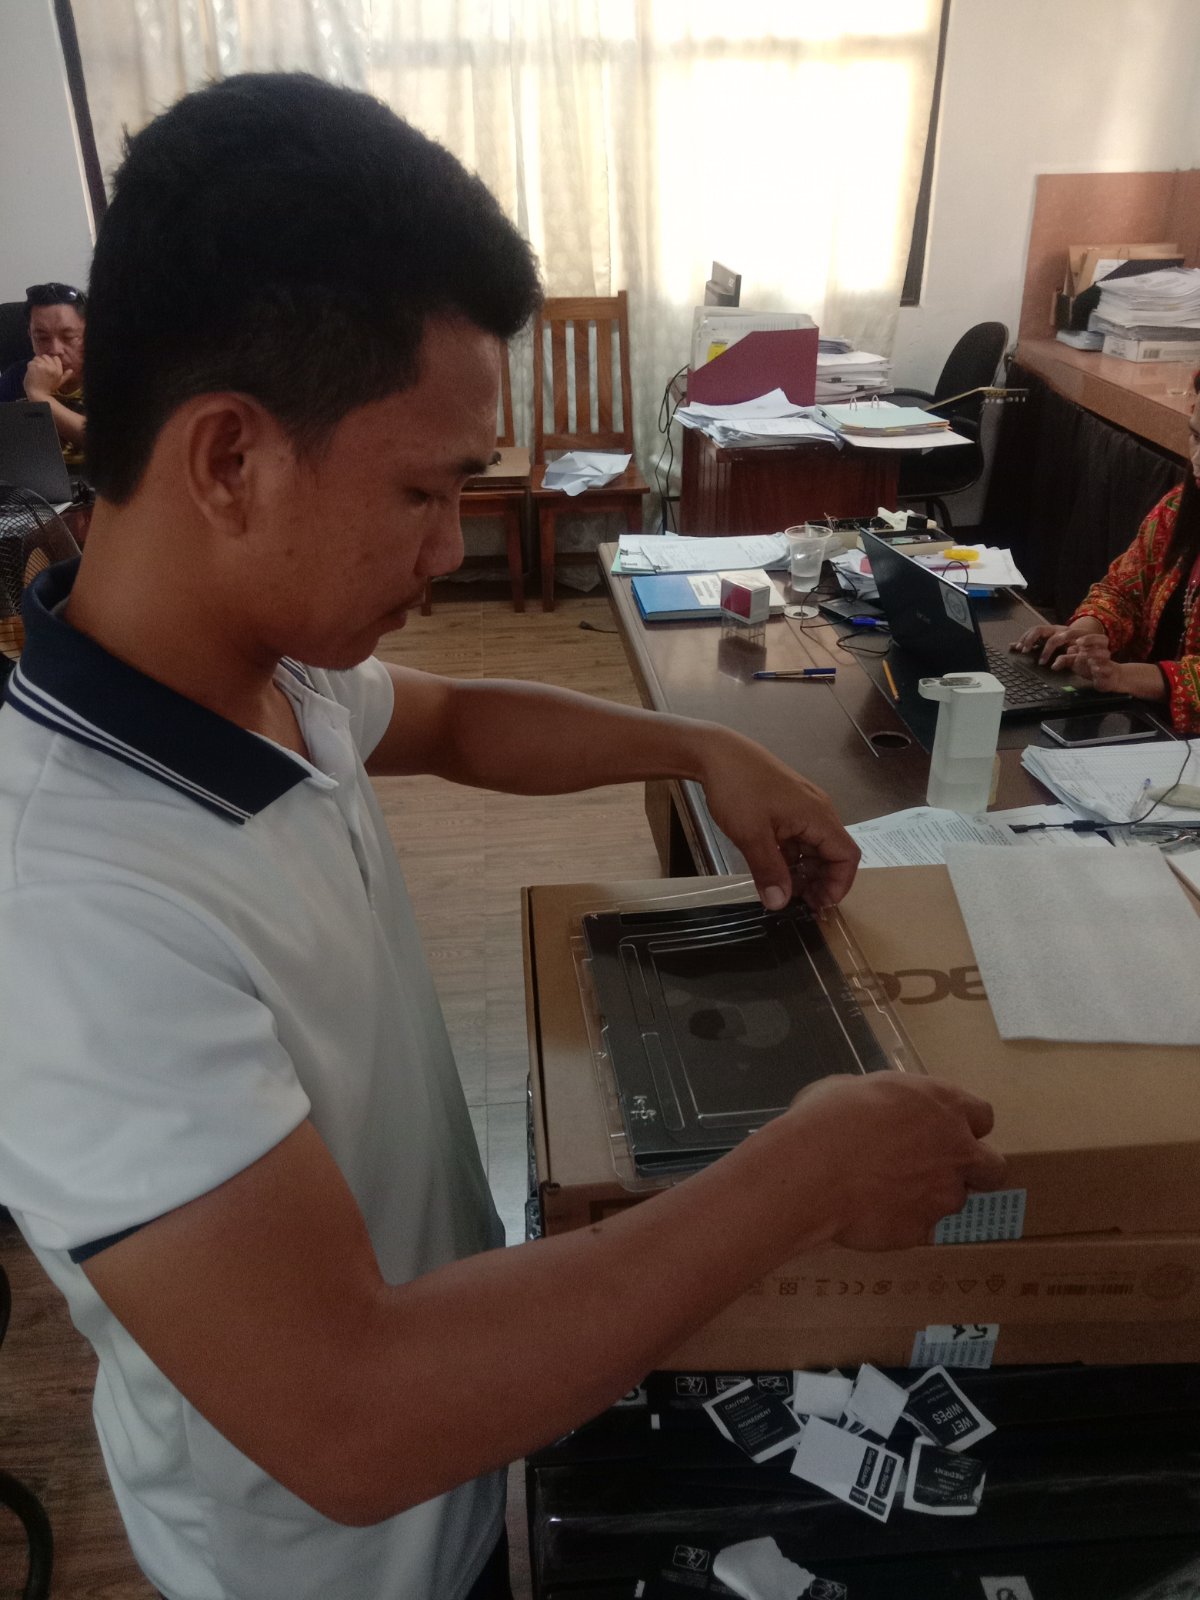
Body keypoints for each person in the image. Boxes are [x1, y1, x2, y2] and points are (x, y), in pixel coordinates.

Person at [0, 74, 1004, 1600]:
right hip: (341, 1560)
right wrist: (802, 1178)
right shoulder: (67, 899)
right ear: (227, 459)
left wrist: (703, 745)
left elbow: (461, 720)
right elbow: (349, 1415)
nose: (448, 546)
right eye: (421, 490)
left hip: (478, 1416)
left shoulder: (270, 669)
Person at [1011, 373, 1200, 730]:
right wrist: (1085, 631)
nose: (1197, 459)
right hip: (1149, 721)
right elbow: (1123, 591)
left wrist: (1125, 676)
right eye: (1196, 436)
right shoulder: (1180, 508)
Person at [0, 281, 87, 462]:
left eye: (68, 337)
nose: (55, 349)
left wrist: (39, 396)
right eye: (41, 338)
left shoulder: (111, 377)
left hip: (93, 477)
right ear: (30, 336)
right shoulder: (16, 376)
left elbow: (112, 444)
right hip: (31, 477)